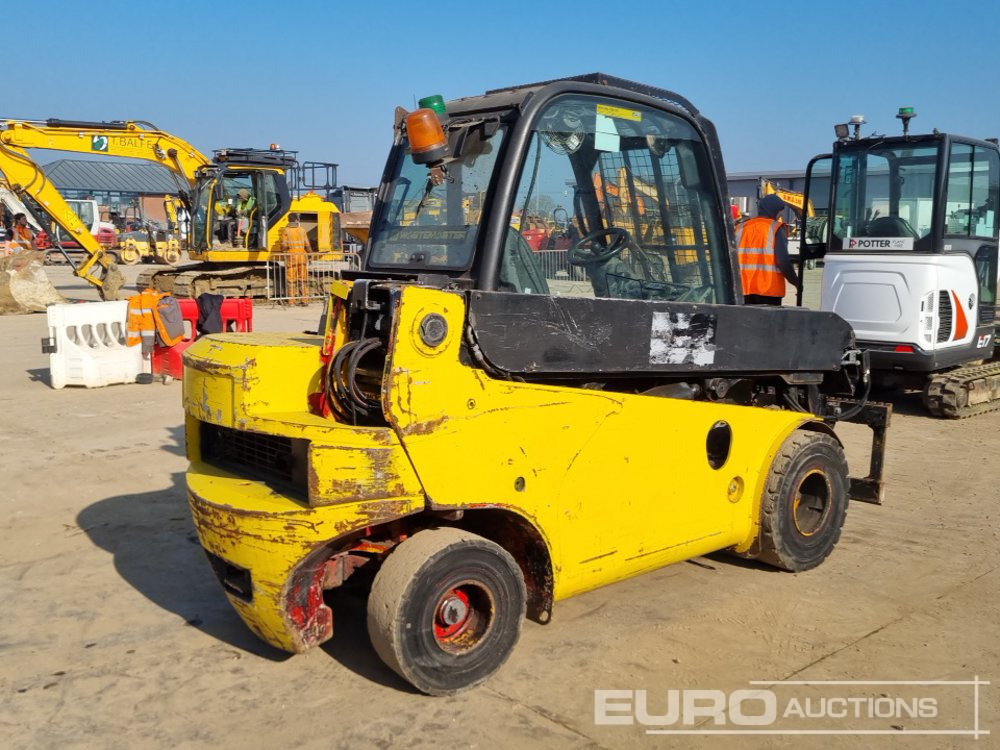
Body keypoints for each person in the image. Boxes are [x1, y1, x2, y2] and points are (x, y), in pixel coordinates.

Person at [736, 194, 798, 305]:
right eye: (780, 211)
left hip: (742, 289)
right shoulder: (775, 228)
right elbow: (783, 262)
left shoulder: (740, 228)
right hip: (768, 290)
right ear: (774, 210)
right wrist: (796, 283)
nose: (780, 214)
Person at [281, 213, 311, 305]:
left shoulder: (286, 231)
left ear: (289, 220)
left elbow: (284, 245)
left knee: (291, 279)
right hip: (302, 256)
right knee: (303, 278)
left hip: (291, 256)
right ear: (296, 220)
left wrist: (283, 252)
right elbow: (307, 244)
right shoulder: (302, 230)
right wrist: (310, 254)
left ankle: (291, 300)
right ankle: (304, 300)